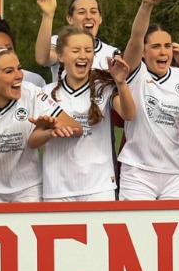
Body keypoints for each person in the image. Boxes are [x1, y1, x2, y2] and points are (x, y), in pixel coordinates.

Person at [0, 45, 78, 203]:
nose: (19, 76)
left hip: (28, 188)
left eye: (19, 68)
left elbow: (76, 127)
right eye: (9, 71)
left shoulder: (32, 93)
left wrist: (48, 128)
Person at [118, 0, 179, 200]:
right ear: (143, 51)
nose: (163, 52)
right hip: (138, 172)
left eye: (167, 46)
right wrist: (146, 5)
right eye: (156, 46)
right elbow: (135, 38)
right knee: (137, 230)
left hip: (175, 172)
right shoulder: (135, 72)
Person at [43, 25, 136, 202]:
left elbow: (129, 114)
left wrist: (121, 83)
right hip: (57, 188)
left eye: (88, 50)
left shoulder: (105, 88)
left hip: (99, 186)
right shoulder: (46, 93)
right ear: (61, 56)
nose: (83, 55)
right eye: (75, 50)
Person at [34, 0, 119, 82]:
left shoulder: (112, 53)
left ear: (100, 18)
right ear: (70, 19)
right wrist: (48, 15)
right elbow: (42, 59)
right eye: (82, 12)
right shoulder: (60, 41)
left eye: (93, 11)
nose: (88, 16)